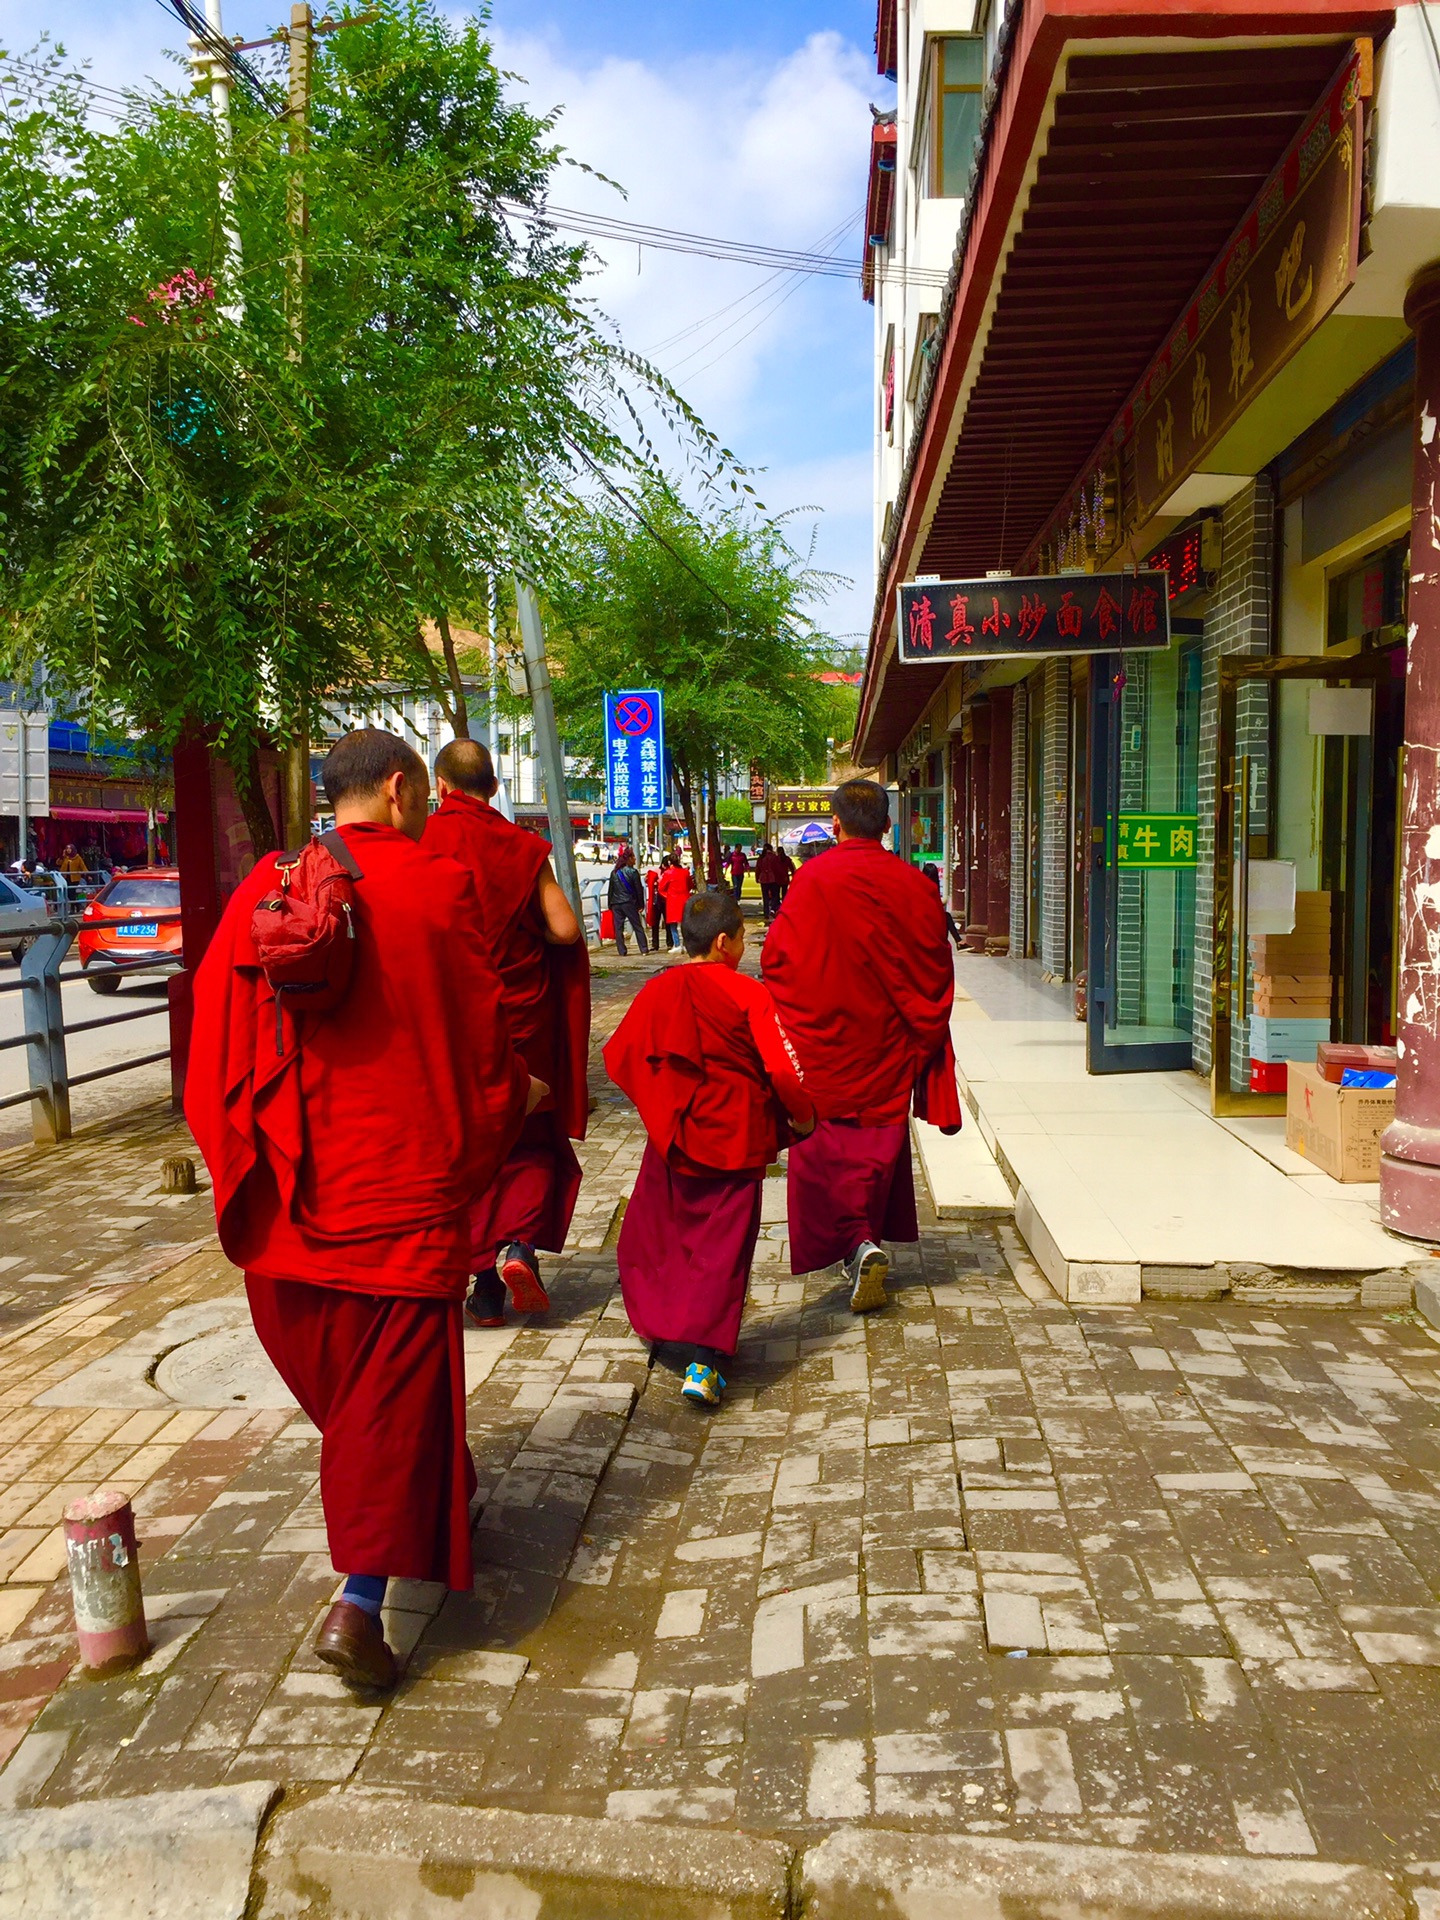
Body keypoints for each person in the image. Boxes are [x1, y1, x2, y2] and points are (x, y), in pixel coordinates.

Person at [185, 729, 537, 1692]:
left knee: (361, 1395)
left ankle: (440, 1486)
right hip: (399, 1194)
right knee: (385, 1402)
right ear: (396, 789)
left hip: (291, 1199)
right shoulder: (436, 886)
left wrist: (241, 1164)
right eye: (419, 796)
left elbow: (212, 1052)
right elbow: (478, 1042)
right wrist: (509, 1108)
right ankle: (361, 1602)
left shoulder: (266, 892)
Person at [604, 890, 814, 1409]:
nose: (745, 945)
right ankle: (704, 1362)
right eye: (743, 936)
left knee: (665, 1235)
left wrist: (662, 1105)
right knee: (723, 1247)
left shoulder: (659, 990)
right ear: (724, 943)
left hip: (675, 1136)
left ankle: (667, 1327)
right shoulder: (748, 994)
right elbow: (782, 1068)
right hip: (736, 1137)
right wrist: (803, 1115)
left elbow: (623, 1054)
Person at [762, 778, 960, 1315]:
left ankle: (856, 1244)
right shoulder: (915, 884)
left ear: (836, 826)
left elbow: (777, 960)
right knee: (875, 1149)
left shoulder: (815, 879)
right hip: (889, 1043)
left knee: (826, 1148)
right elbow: (937, 965)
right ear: (889, 828)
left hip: (827, 1039)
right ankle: (863, 1241)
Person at [422, 736, 589, 1327]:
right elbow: (567, 929)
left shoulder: (421, 842)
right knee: (529, 1142)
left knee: (468, 1152)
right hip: (523, 1021)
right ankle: (517, 1243)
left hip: (454, 1026)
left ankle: (485, 1292)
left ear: (439, 787)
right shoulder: (521, 847)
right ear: (494, 788)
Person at [608, 848, 648, 956]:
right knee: (637, 926)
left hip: (616, 903)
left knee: (618, 928)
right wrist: (641, 904)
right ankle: (643, 949)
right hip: (629, 903)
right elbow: (639, 890)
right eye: (633, 857)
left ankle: (622, 951)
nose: (635, 859)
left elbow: (610, 890)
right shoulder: (633, 872)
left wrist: (610, 904)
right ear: (629, 858)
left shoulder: (614, 872)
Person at [922, 862, 964, 950]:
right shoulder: (933, 887)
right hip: (927, 915)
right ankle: (959, 941)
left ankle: (959, 941)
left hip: (924, 914)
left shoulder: (921, 885)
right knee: (946, 917)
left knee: (946, 916)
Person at [754, 843, 794, 924]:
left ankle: (766, 913)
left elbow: (757, 868)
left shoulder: (761, 858)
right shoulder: (774, 857)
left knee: (765, 897)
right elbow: (777, 869)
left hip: (763, 879)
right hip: (773, 879)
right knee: (775, 896)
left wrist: (757, 877)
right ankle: (774, 910)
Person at [657, 854, 691, 949]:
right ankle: (685, 944)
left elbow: (661, 888)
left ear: (669, 862)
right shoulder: (685, 872)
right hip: (684, 899)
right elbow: (690, 885)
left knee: (673, 924)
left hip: (672, 900)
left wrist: (668, 895)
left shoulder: (668, 873)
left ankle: (677, 945)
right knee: (685, 923)